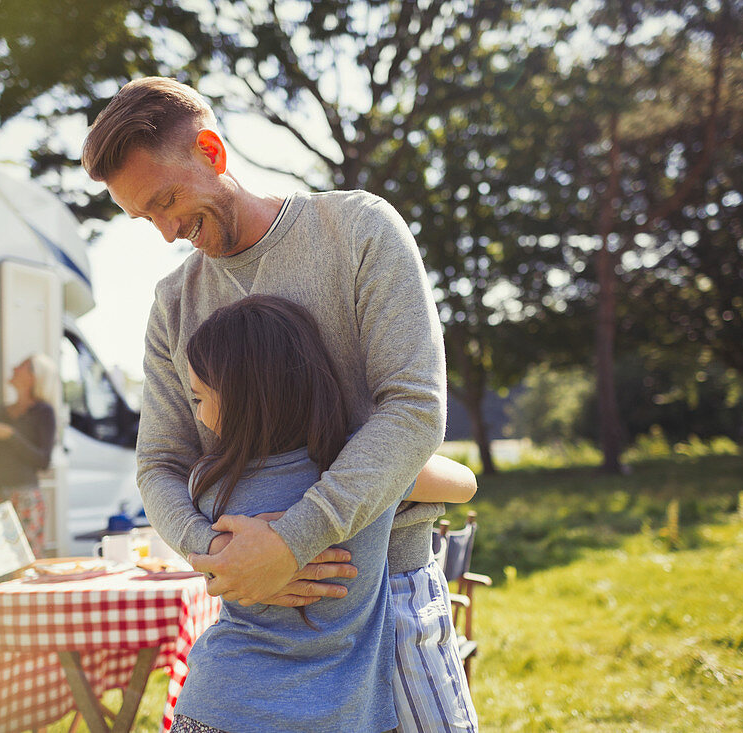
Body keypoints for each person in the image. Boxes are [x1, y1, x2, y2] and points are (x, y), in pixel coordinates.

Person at [82, 78, 468, 729]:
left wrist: (292, 540)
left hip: (390, 590)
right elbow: (160, 462)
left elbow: (414, 410)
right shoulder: (174, 301)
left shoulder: (357, 230)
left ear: (212, 151)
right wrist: (225, 558)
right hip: (258, 618)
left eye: (167, 200)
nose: (167, 231)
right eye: (145, 216)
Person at [174, 295, 476, 733]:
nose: (196, 415)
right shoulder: (364, 475)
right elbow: (465, 483)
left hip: (216, 705)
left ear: (243, 397)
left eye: (199, 398)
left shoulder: (207, 483)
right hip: (339, 716)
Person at [0, 352, 58, 555]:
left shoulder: (43, 413)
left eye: (21, 366)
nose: (13, 368)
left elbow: (43, 461)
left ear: (33, 377)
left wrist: (11, 435)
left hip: (26, 498)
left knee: (25, 562)